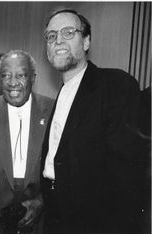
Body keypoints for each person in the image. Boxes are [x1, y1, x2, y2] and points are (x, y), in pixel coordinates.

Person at [41, 9, 141, 234]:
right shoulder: (63, 93)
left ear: (86, 41)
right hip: (55, 213)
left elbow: (126, 177)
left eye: (68, 32)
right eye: (51, 35)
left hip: (93, 221)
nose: (58, 41)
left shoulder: (115, 85)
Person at [0, 50, 53, 233]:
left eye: (21, 75)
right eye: (5, 75)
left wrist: (42, 200)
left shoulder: (52, 109)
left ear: (33, 77)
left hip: (38, 216)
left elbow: (62, 167)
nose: (13, 82)